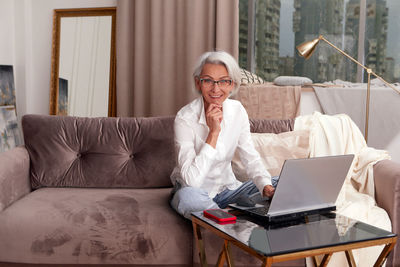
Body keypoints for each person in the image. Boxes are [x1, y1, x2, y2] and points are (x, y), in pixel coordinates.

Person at [170, 51, 278, 219]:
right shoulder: (184, 118)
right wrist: (213, 133)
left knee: (282, 183)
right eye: (208, 81)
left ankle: (219, 215)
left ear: (232, 85)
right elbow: (192, 181)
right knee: (188, 199)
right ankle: (228, 222)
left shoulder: (237, 111)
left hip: (229, 191)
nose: (216, 89)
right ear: (198, 83)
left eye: (223, 81)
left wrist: (265, 185)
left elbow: (250, 157)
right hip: (194, 192)